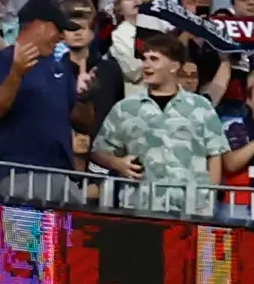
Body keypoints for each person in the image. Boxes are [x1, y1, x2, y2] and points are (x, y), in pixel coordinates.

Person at [93, 31, 245, 217]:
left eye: (154, 59)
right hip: (140, 209)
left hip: (192, 210)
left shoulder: (201, 106)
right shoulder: (125, 108)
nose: (146, 65)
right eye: (145, 58)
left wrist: (208, 198)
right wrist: (117, 163)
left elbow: (215, 154)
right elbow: (98, 151)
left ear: (174, 66)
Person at [0, 0, 87, 192]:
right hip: (20, 174)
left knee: (71, 214)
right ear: (39, 26)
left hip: (64, 176)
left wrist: (87, 95)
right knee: (23, 216)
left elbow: (79, 120)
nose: (62, 37)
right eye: (58, 29)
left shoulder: (62, 66)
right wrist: (16, 74)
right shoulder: (1, 60)